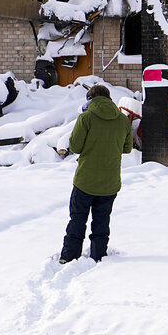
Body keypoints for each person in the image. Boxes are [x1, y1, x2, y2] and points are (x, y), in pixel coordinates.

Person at [59, 84, 133, 263]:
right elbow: (127, 148)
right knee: (102, 222)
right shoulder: (123, 120)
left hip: (85, 181)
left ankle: (69, 257)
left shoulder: (86, 117)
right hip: (110, 183)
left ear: (90, 100)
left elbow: (75, 147)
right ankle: (99, 257)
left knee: (77, 220)